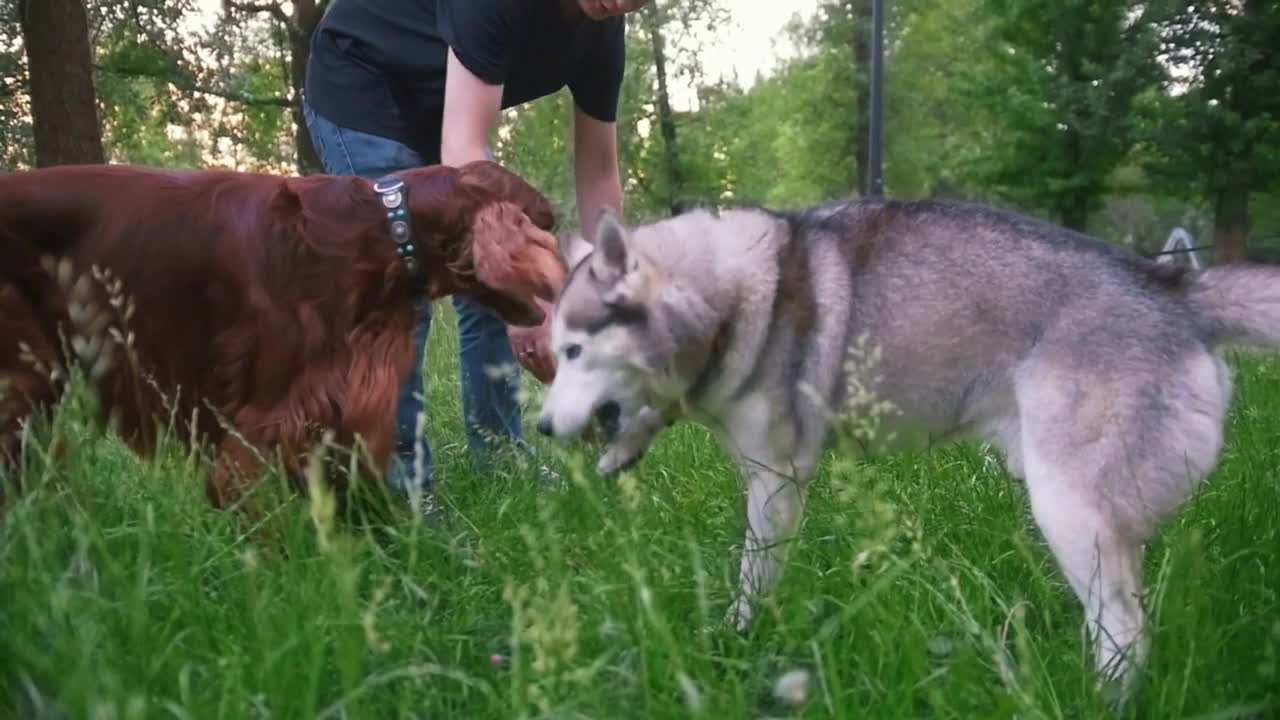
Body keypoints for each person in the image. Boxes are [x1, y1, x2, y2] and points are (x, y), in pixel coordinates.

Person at [302, 0, 650, 498]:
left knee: (493, 265)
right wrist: (525, 292)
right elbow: (464, 155)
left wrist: (596, 299)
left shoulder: (602, 35)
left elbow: (598, 175)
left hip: (438, 111)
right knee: (405, 280)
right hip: (361, 83)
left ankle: (499, 454)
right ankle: (400, 487)